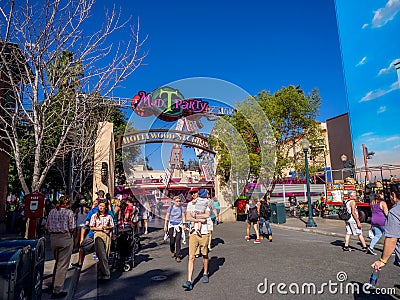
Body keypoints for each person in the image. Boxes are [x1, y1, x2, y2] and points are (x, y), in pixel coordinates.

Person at [45, 196, 75, 299]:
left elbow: (47, 226)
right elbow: (72, 227)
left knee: (57, 262)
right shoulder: (69, 213)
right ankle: (57, 290)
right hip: (65, 237)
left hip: (53, 238)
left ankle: (53, 285)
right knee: (62, 265)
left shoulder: (52, 212)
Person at [182, 191, 211, 291]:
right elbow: (188, 217)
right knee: (191, 257)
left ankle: (205, 273)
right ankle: (189, 281)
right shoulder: (190, 204)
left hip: (204, 232)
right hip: (193, 233)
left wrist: (194, 217)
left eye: (195, 193)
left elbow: (207, 215)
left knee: (204, 254)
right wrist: (198, 218)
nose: (193, 194)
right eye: (192, 193)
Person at [372, 184, 400, 270]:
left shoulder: (394, 212)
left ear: (393, 195)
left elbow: (392, 238)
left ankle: (371, 247)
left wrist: (383, 260)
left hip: (376, 222)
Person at [89, 200, 114, 280]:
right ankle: (107, 274)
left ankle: (101, 272)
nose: (101, 208)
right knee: (101, 254)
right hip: (98, 234)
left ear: (105, 207)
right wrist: (100, 228)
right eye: (100, 206)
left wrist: (107, 227)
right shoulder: (94, 215)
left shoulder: (109, 216)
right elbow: (91, 227)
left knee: (105, 254)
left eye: (103, 206)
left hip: (106, 235)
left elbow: (112, 225)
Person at [164, 196, 186, 262]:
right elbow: (167, 216)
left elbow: (183, 216)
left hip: (179, 225)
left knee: (178, 240)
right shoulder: (170, 208)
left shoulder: (181, 208)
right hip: (171, 225)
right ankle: (172, 250)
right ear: (174, 202)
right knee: (172, 240)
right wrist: (165, 225)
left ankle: (178, 255)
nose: (178, 202)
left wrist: (184, 224)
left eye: (179, 201)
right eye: (177, 201)